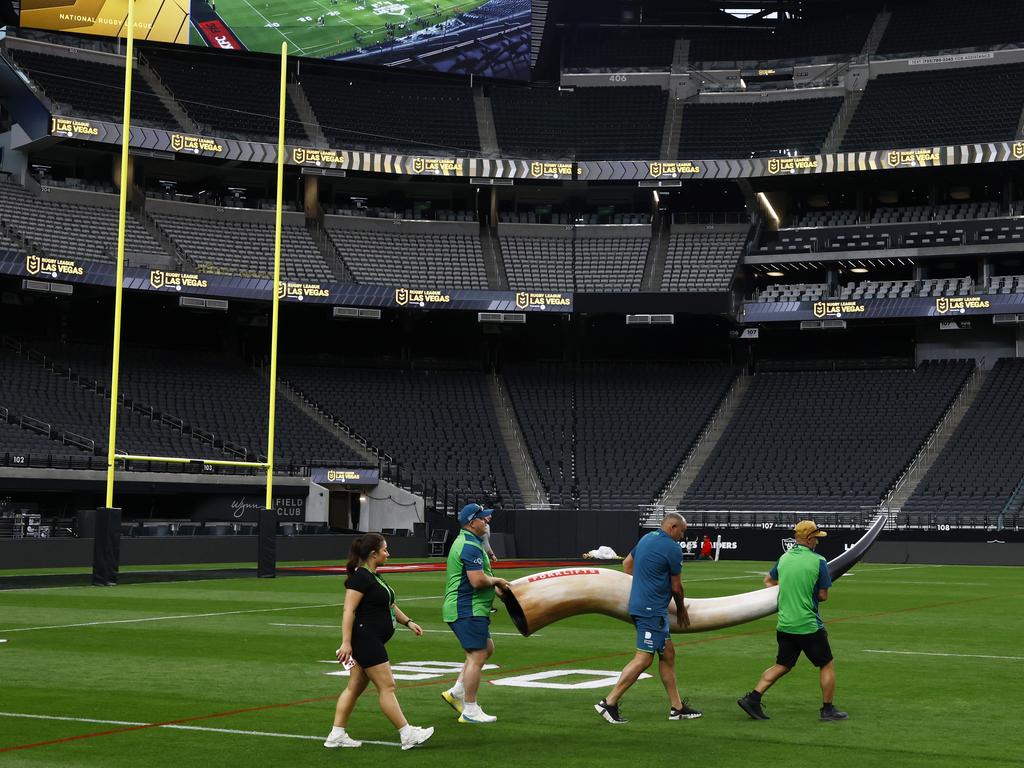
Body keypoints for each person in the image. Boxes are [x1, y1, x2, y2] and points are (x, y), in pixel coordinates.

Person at [325, 533, 435, 750]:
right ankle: (407, 734)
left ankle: (336, 734)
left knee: (354, 687)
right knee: (387, 686)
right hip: (366, 639)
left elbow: (389, 605)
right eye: (385, 550)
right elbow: (349, 610)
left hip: (369, 639)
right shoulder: (361, 577)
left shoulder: (374, 576)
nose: (388, 553)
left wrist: (408, 622)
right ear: (373, 554)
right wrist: (346, 642)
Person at [595, 512, 702, 724]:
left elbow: (627, 564)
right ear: (673, 527)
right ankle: (609, 703)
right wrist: (681, 609)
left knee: (668, 653)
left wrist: (642, 587)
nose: (683, 536)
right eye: (682, 531)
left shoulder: (646, 538)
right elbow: (676, 587)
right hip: (652, 610)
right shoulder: (672, 548)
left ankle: (677, 707)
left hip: (644, 606)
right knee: (644, 659)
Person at [737, 520, 848, 722]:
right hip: (808, 624)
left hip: (785, 623)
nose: (817, 541)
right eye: (815, 538)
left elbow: (768, 581)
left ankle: (753, 698)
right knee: (826, 664)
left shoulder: (784, 558)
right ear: (808, 539)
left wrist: (789, 586)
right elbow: (823, 596)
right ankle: (827, 709)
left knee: (783, 665)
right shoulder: (818, 561)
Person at [440, 503, 511, 723]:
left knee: (486, 649)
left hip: (469, 607)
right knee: (477, 655)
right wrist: (497, 580)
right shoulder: (469, 545)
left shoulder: (470, 540)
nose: (487, 521)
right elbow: (478, 580)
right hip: (466, 607)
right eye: (483, 519)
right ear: (472, 522)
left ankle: (457, 693)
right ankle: (470, 709)